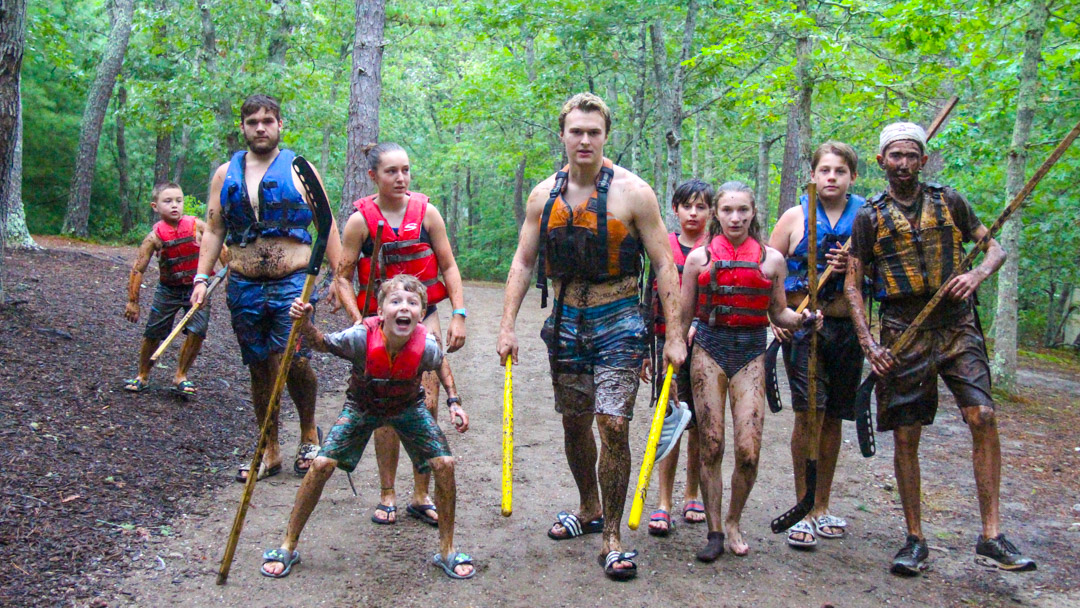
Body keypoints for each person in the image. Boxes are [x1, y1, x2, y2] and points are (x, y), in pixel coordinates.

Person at [496, 92, 687, 581]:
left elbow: (665, 264)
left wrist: (674, 335)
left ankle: (613, 539)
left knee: (614, 424)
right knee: (575, 424)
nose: (585, 140)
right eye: (576, 131)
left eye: (594, 132)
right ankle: (589, 508)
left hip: (620, 318)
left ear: (606, 136)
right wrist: (507, 326)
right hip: (565, 323)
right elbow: (523, 261)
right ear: (562, 135)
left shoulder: (634, 193)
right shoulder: (543, 196)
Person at [844, 122, 1036, 575]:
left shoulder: (949, 201)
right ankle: (915, 538)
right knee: (906, 432)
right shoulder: (869, 216)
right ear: (881, 161)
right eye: (896, 156)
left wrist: (977, 274)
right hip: (902, 330)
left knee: (982, 415)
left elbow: (994, 249)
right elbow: (853, 284)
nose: (904, 164)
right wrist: (869, 343)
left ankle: (992, 535)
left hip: (956, 324)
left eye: (912, 155)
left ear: (923, 160)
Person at [260, 275, 474, 580]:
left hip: (407, 407)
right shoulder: (360, 337)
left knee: (445, 464)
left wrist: (454, 401)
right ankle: (287, 545)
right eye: (396, 301)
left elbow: (439, 362)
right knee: (321, 464)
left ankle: (447, 550)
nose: (404, 308)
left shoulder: (426, 344)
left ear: (420, 313)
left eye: (413, 303)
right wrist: (305, 323)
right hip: (362, 406)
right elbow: (321, 343)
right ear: (381, 311)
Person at [191, 94, 341, 482]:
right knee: (258, 365)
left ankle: (309, 435)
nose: (261, 128)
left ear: (279, 125)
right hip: (243, 283)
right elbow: (214, 229)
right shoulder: (225, 174)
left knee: (295, 359)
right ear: (242, 127)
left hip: (294, 282)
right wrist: (201, 278)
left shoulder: (300, 169)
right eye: (253, 121)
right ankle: (268, 448)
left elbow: (326, 225)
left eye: (268, 121)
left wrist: (340, 278)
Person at [679, 181, 820, 562]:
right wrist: (673, 350)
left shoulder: (771, 260)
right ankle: (714, 531)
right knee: (711, 444)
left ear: (753, 212)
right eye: (727, 210)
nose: (735, 218)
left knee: (748, 451)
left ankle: (733, 520)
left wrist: (803, 320)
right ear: (716, 213)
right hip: (708, 349)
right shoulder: (698, 259)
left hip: (751, 353)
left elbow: (779, 313)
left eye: (743, 210)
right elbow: (684, 315)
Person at [334, 142, 466, 527]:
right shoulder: (359, 221)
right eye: (391, 171)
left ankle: (421, 494)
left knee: (427, 402)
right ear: (373, 176)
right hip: (378, 324)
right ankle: (387, 493)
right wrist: (359, 321)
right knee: (385, 407)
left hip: (425, 317)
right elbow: (342, 277)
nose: (401, 178)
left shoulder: (428, 214)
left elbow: (449, 266)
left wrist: (459, 314)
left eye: (405, 170)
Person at [768, 142, 866, 548]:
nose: (831, 177)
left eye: (840, 171)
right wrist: (774, 317)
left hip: (846, 329)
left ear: (852, 177)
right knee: (809, 414)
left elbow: (880, 268)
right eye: (824, 170)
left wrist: (853, 264)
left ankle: (822, 504)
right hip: (805, 329)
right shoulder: (795, 217)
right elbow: (768, 268)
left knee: (833, 418)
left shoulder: (867, 218)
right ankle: (802, 507)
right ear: (813, 175)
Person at [643, 179, 712, 536]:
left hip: (705, 345)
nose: (694, 213)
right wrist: (645, 351)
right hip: (663, 342)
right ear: (675, 209)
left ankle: (692, 494)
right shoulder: (662, 247)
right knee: (668, 419)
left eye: (701, 207)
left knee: (697, 422)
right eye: (687, 206)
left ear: (710, 212)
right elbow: (647, 297)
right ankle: (663, 501)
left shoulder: (714, 250)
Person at [123, 182, 224, 396]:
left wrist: (232, 276)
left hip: (198, 289)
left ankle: (181, 375)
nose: (174, 205)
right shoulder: (154, 236)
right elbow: (138, 268)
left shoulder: (197, 226)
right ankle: (142, 375)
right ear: (155, 206)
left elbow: (221, 248)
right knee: (153, 332)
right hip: (167, 290)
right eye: (168, 201)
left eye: (178, 200)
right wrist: (133, 301)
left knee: (197, 331)